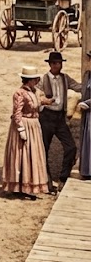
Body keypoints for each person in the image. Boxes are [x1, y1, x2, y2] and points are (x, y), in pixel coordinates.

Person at [3, 66, 52, 199]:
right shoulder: (19, 93)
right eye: (35, 79)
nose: (37, 81)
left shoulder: (35, 91)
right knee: (22, 154)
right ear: (28, 80)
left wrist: (50, 101)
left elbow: (39, 101)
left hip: (34, 125)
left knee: (33, 154)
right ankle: (19, 186)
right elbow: (17, 112)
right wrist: (20, 129)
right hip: (24, 124)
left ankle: (30, 185)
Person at [38, 51, 81, 191]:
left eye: (60, 63)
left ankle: (63, 178)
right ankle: (46, 179)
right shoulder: (42, 80)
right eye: (56, 63)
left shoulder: (65, 78)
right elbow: (34, 95)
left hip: (60, 118)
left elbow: (78, 87)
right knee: (43, 149)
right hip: (47, 117)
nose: (58, 65)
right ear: (50, 65)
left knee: (71, 147)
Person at [78, 51, 91, 179]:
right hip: (88, 115)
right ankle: (87, 170)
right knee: (88, 141)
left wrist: (87, 103)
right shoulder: (88, 75)